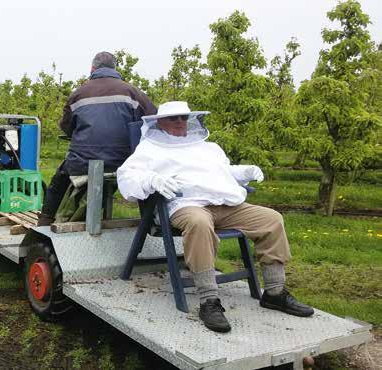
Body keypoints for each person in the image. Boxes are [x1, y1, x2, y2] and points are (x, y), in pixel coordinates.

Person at [117, 101, 314, 333]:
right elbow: (127, 176)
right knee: (200, 223)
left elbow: (222, 172)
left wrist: (243, 172)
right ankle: (209, 301)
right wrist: (151, 180)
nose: (180, 122)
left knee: (271, 219)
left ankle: (274, 292)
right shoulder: (150, 149)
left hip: (224, 203)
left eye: (183, 117)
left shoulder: (208, 147)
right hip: (186, 205)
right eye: (174, 118)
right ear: (160, 122)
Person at [37, 51, 157, 225]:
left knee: (59, 179)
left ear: (92, 68)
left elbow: (66, 126)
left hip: (82, 162)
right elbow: (153, 120)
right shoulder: (132, 92)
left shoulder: (78, 94)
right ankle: (151, 221)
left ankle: (45, 221)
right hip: (124, 163)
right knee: (147, 177)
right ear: (115, 68)